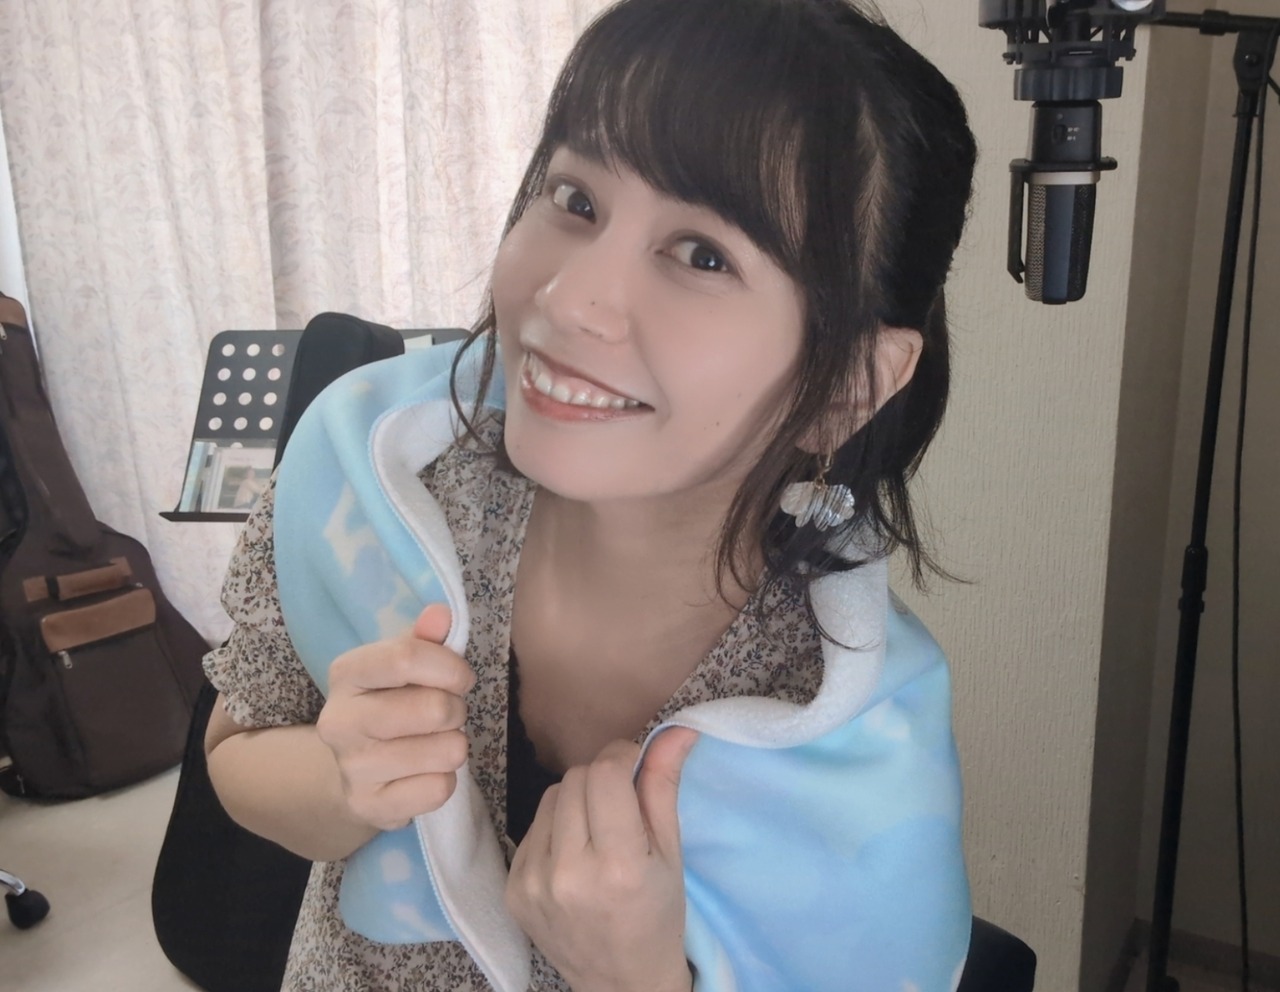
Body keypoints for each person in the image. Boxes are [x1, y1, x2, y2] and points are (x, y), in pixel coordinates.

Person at [203, 0, 978, 989]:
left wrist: (634, 977)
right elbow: (237, 747)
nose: (566, 299)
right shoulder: (366, 473)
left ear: (847, 388)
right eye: (575, 199)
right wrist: (338, 780)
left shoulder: (852, 736)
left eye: (702, 255)